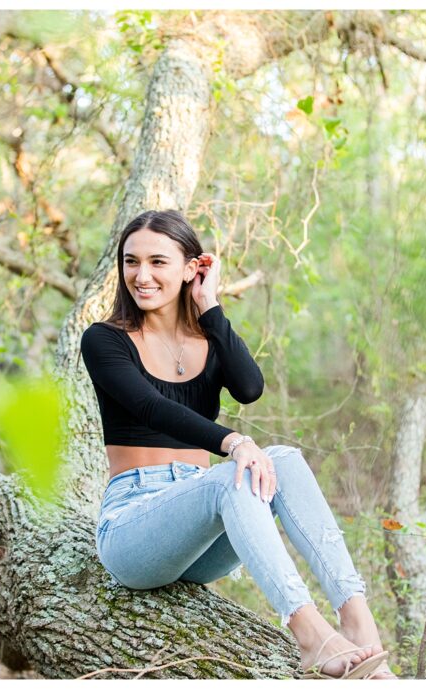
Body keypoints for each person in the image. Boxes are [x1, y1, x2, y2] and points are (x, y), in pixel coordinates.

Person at [80, 210, 396, 679]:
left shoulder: (207, 336)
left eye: (158, 262)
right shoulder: (105, 340)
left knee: (284, 459)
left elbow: (249, 387)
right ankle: (309, 633)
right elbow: (149, 407)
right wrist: (233, 441)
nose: (141, 276)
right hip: (134, 528)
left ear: (191, 267)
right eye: (131, 262)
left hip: (200, 534)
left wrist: (210, 308)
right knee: (232, 476)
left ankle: (357, 619)